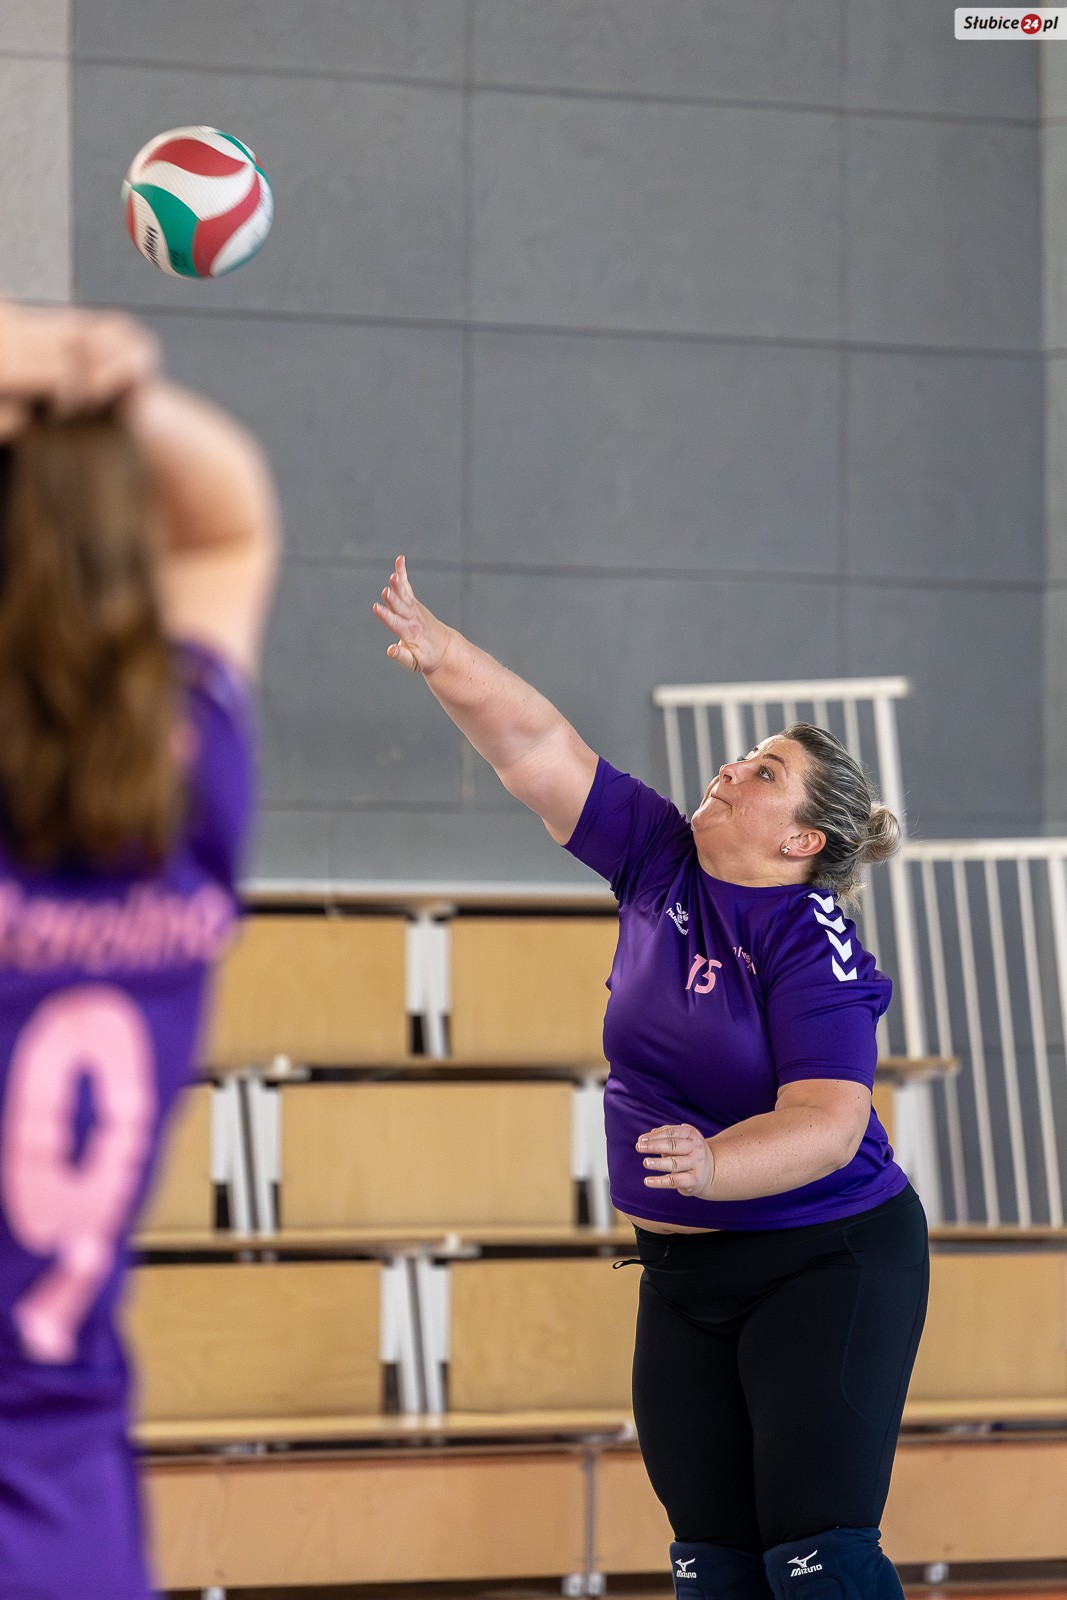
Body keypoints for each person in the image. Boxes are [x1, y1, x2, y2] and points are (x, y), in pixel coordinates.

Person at [374, 556, 929, 1600]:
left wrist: (714, 1166)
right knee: (709, 1568)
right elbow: (535, 746)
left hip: (825, 1261)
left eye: (763, 773)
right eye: (742, 757)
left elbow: (825, 1121)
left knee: (814, 1558)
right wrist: (444, 657)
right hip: (682, 1275)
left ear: (801, 839)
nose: (731, 770)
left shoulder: (808, 938)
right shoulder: (657, 859)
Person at [0, 301, 279, 1599]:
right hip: (69, 1510)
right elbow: (228, 521)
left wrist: (50, 368)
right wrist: (104, 391)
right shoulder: (188, 787)